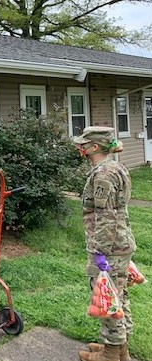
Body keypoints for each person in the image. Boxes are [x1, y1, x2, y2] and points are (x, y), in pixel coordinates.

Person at [74, 126, 136, 361]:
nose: (80, 147)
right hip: (120, 244)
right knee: (119, 296)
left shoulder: (104, 174)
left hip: (109, 248)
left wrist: (100, 251)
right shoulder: (114, 167)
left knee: (107, 298)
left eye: (84, 143)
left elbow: (105, 216)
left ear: (95, 147)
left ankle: (110, 354)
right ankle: (120, 349)